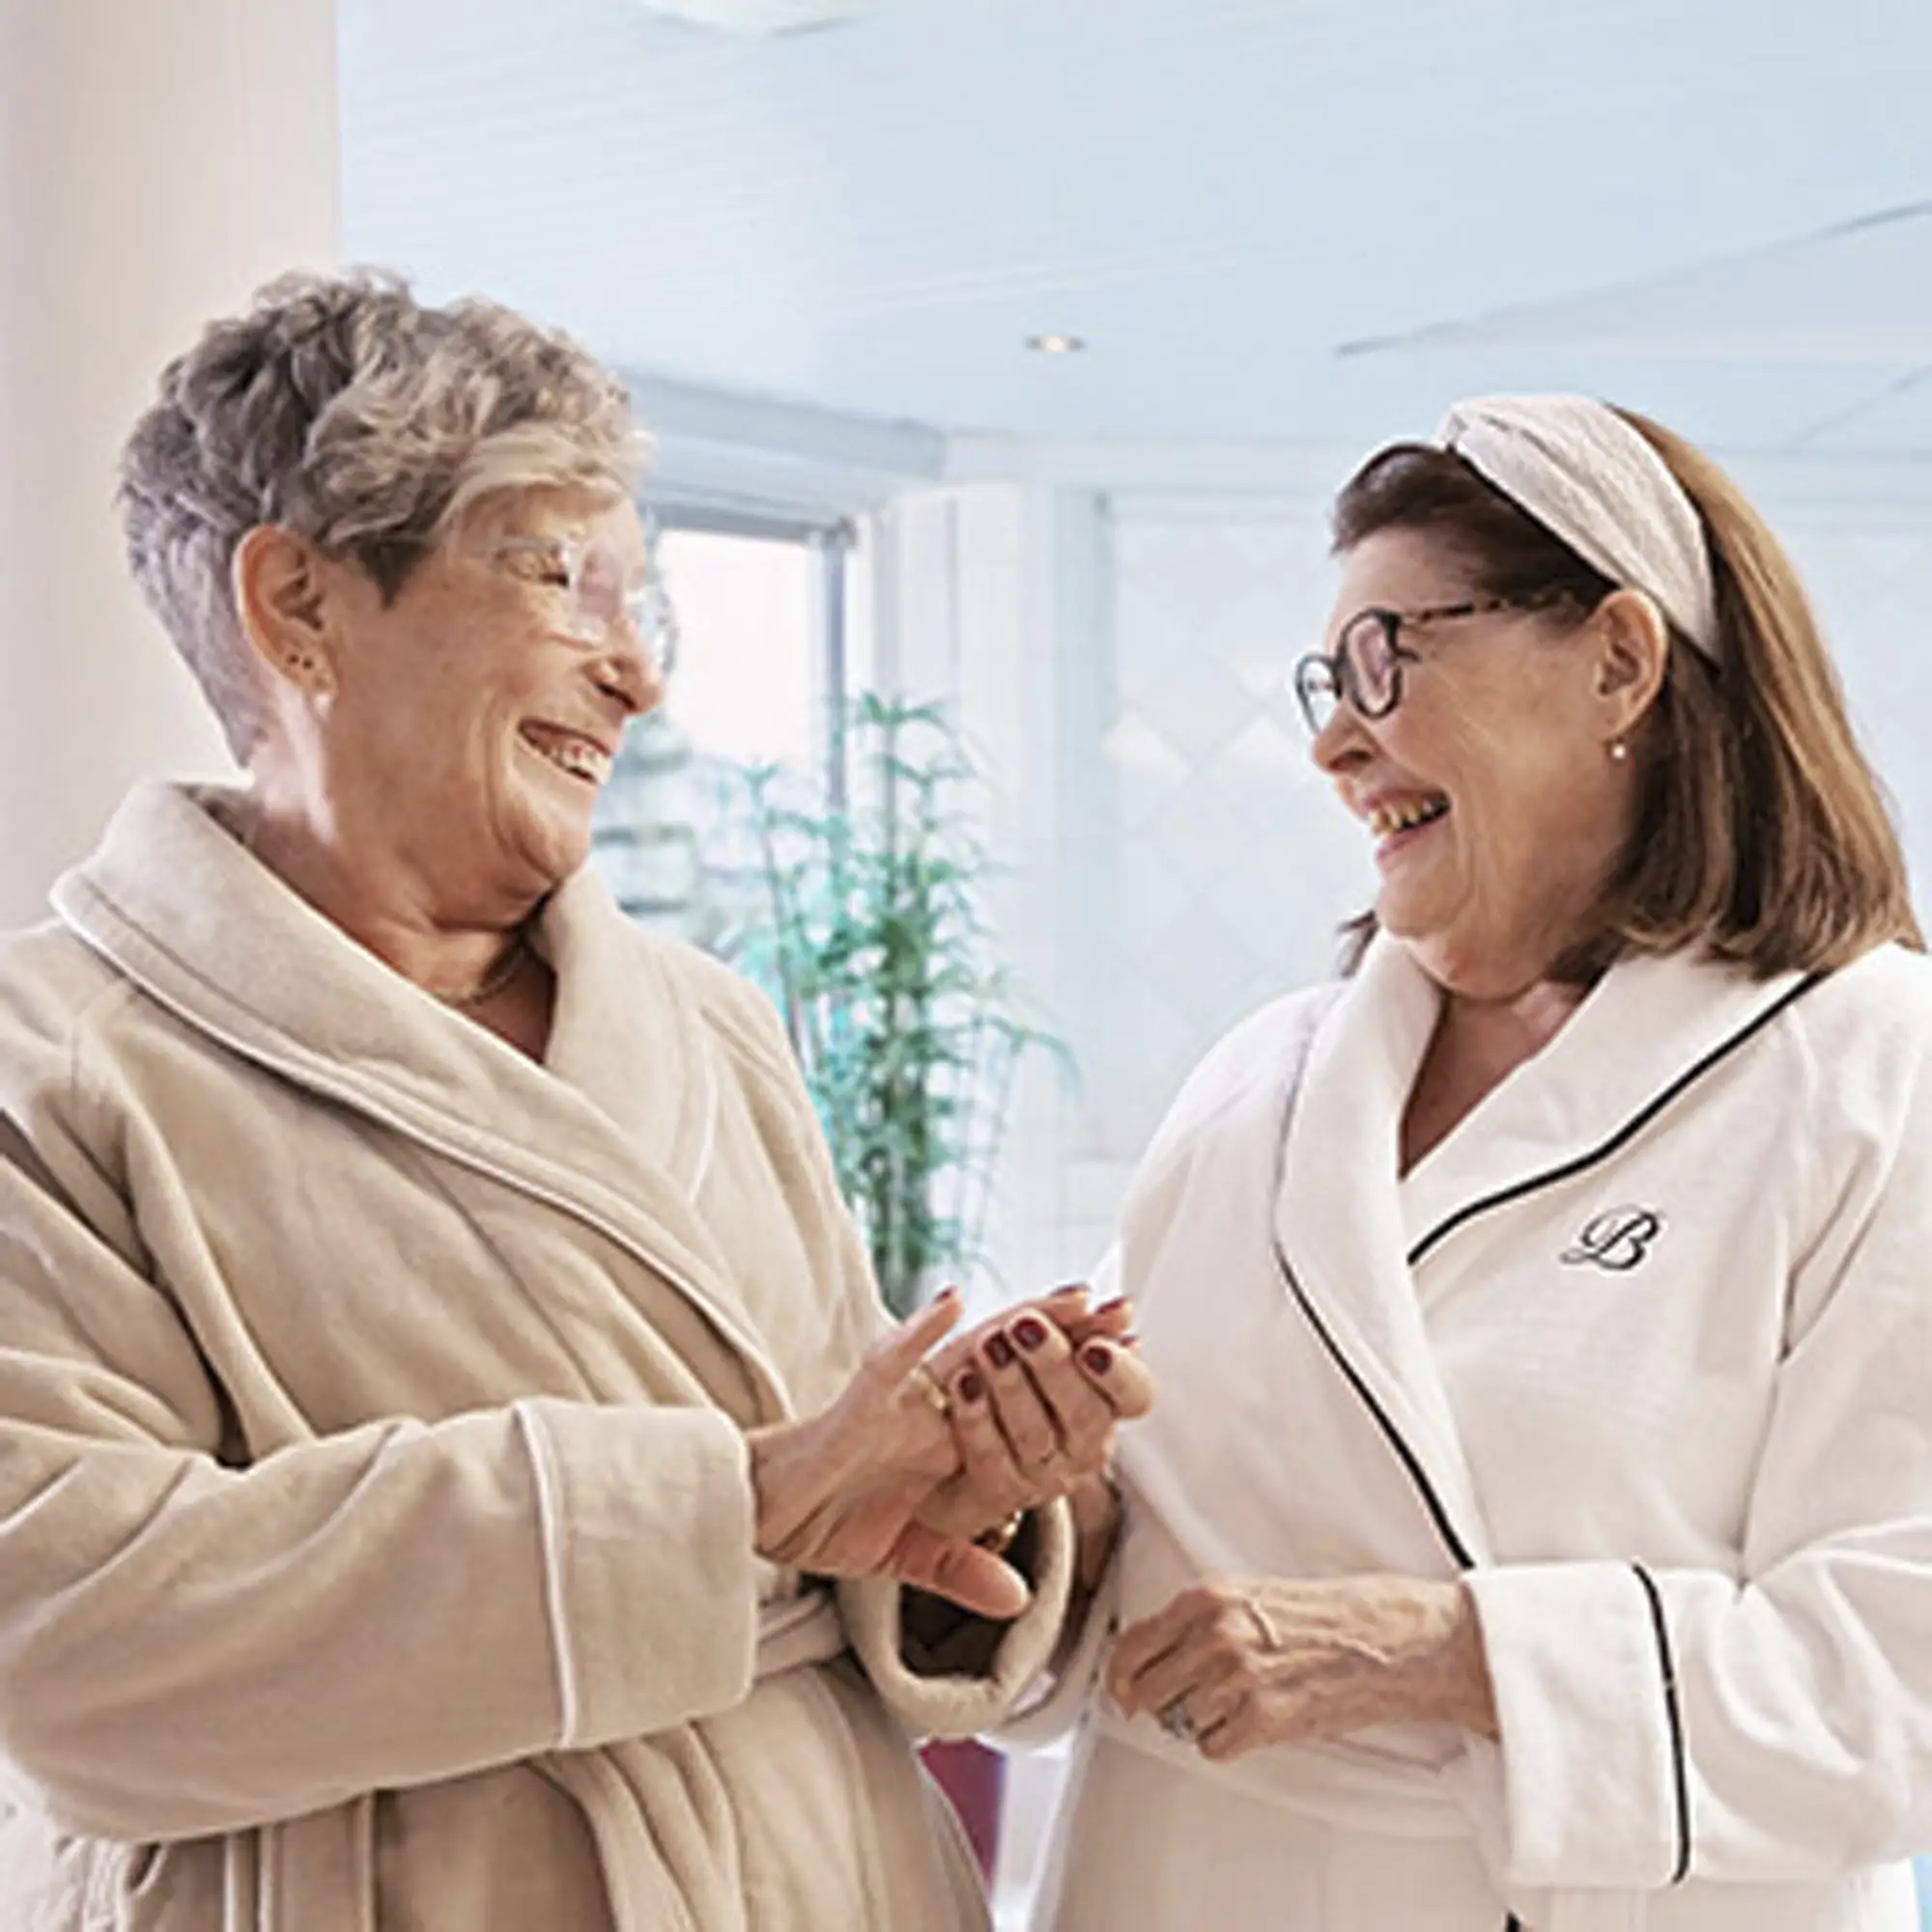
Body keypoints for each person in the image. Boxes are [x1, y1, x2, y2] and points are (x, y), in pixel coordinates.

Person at [0, 270, 1153, 1932]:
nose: (636, 676)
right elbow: (63, 1644)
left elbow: (839, 1524)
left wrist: (956, 1498)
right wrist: (738, 1508)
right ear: (299, 605)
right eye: (556, 579)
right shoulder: (57, 1066)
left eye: (640, 603)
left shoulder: (708, 1027)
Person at [1024, 395, 1932, 1930]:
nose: (1333, 741)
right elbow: (1133, 1543)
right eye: (1329, 680)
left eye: (1389, 658)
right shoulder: (1262, 1083)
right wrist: (1039, 1491)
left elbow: (1896, 1672)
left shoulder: (1873, 1070)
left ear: (1618, 661)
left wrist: (1448, 1654)